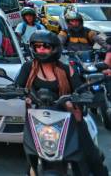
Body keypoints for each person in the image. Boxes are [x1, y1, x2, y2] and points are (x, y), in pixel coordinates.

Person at [14, 31, 108, 175]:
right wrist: (15, 92)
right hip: (38, 119)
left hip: (67, 116)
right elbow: (17, 85)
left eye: (45, 46)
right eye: (37, 46)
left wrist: (80, 97)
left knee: (90, 153)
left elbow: (80, 88)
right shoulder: (28, 67)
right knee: (31, 156)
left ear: (54, 49)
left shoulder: (65, 69)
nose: (41, 50)